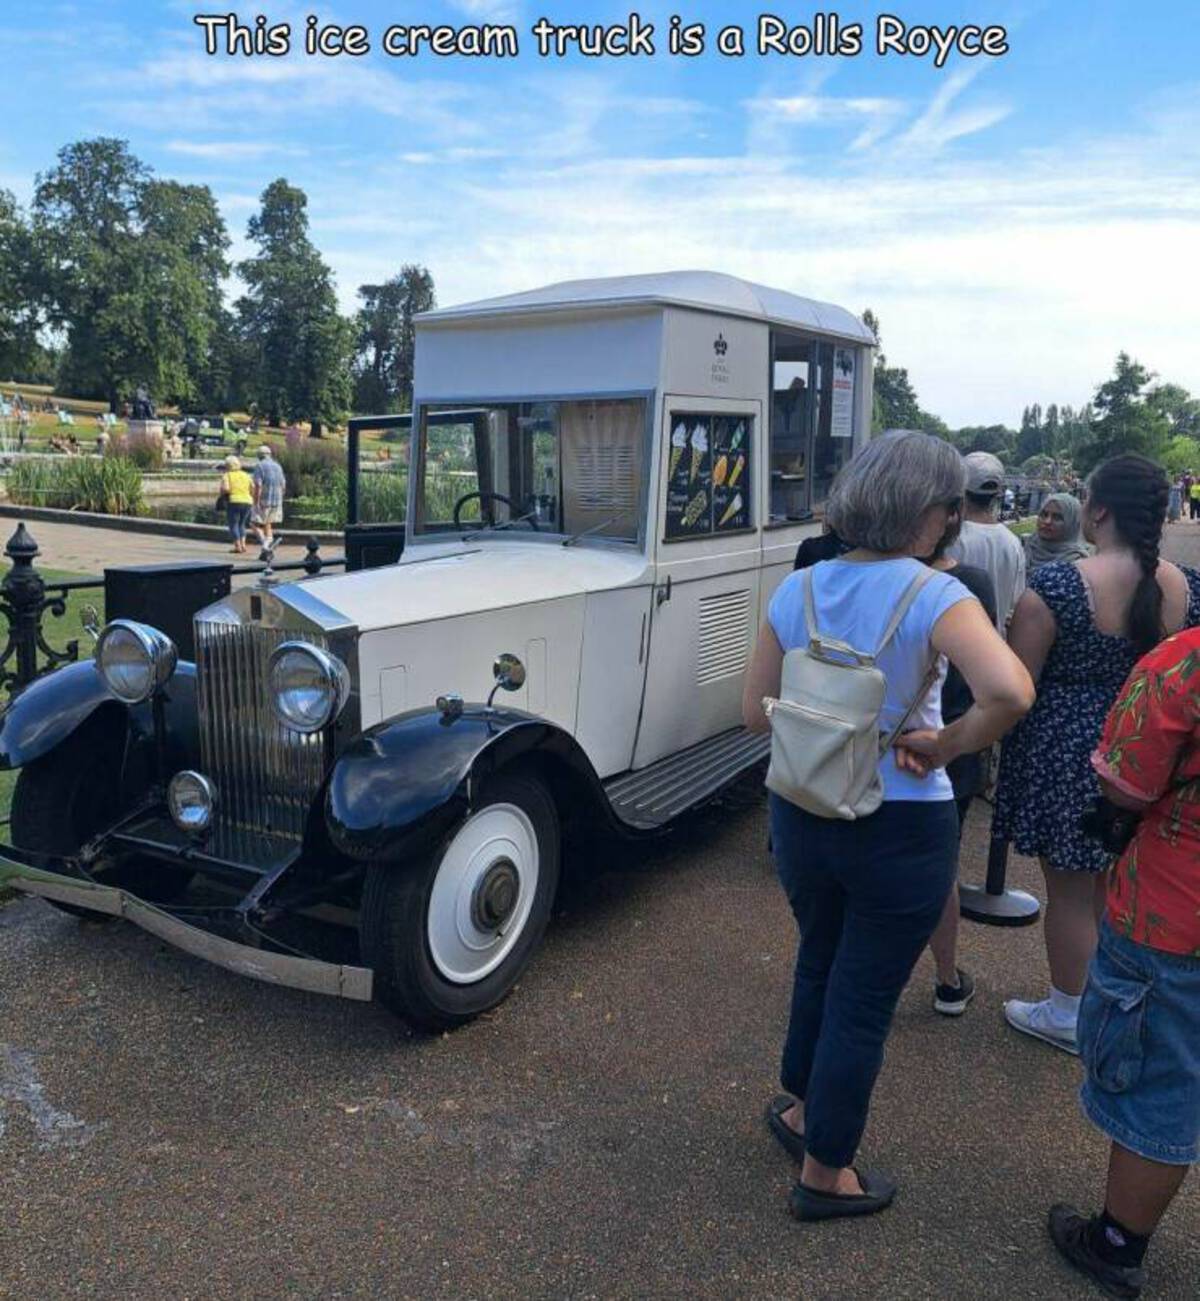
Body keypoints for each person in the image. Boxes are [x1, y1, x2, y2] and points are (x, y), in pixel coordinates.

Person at [744, 431, 1033, 1221]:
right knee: (865, 995)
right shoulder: (937, 595)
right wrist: (945, 742)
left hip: (802, 810)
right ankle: (825, 1168)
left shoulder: (796, 587)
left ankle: (802, 1109)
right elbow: (1009, 691)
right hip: (900, 824)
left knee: (820, 957)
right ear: (934, 514)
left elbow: (750, 711)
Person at [994, 453, 1200, 1054]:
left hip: (1072, 754)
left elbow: (1017, 686)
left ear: (1099, 510)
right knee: (1122, 883)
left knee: (1071, 893)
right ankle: (1118, 1000)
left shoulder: (1055, 588)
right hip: (1156, 754)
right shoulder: (1189, 587)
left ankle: (1067, 1010)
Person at [1048, 626, 1200, 1298]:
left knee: (1160, 1082)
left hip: (1177, 910)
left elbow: (1127, 785)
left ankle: (1116, 1241)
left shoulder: (1184, 663)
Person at [922, 509, 999, 1016]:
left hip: (872, 746)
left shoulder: (837, 572)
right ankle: (947, 979)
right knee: (938, 868)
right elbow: (998, 685)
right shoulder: (966, 583)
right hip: (947, 739)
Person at [947, 451, 1026, 631]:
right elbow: (1016, 598)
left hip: (953, 642)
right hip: (994, 639)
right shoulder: (1012, 542)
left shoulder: (952, 539)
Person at [1024, 492, 1091, 574]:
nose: (1047, 521)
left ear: (1071, 523)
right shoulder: (1027, 547)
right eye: (1044, 514)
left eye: (1057, 517)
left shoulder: (1076, 564)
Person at [250, 444, 286, 550]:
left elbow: (258, 485)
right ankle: (269, 541)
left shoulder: (260, 466)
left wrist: (256, 502)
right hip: (277, 501)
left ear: (259, 455)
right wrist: (280, 499)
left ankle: (265, 544)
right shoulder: (278, 466)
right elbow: (283, 485)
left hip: (264, 500)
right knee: (267, 523)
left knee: (253, 523)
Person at [220, 455, 254, 554]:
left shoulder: (227, 475)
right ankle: (243, 545)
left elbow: (225, 489)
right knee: (242, 524)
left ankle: (237, 546)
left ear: (227, 465)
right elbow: (253, 487)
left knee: (233, 524)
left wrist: (222, 495)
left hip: (234, 500)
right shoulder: (246, 475)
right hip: (247, 501)